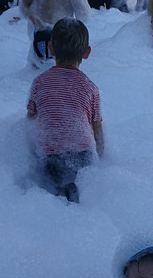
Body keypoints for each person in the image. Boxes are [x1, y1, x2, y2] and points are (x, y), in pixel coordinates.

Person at [25, 18, 103, 203]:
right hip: (83, 156)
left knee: (52, 197)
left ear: (50, 49)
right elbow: (97, 129)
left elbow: (30, 122)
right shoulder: (90, 88)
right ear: (87, 53)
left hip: (49, 155)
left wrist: (29, 152)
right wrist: (101, 159)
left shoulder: (39, 83)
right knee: (79, 196)